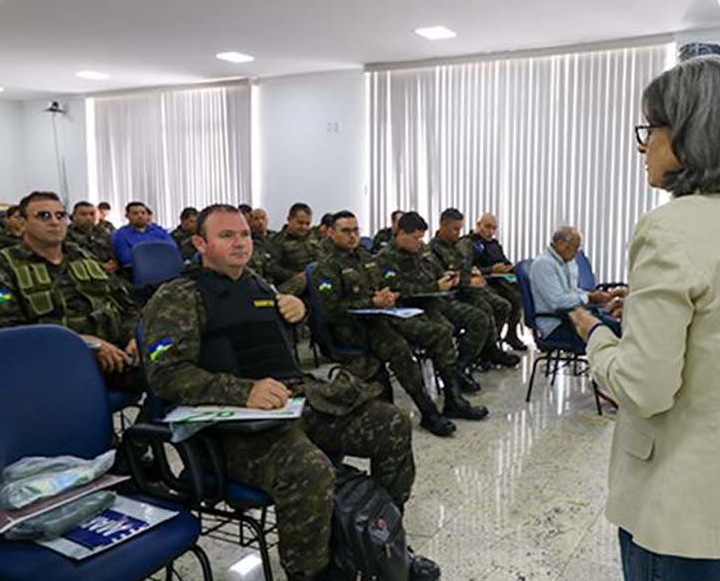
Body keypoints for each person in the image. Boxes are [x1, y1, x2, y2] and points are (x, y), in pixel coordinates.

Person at [568, 56, 720, 581]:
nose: (643, 146)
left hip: (686, 513)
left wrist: (596, 337)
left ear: (687, 132)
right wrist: (644, 310)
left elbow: (644, 389)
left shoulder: (670, 229)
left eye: (651, 129)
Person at [141, 204, 438, 581]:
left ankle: (384, 544)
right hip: (231, 428)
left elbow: (272, 349)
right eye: (226, 235)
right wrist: (243, 391)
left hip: (293, 402)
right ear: (200, 243)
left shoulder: (258, 285)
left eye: (244, 234)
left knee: (391, 424)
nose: (240, 243)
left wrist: (298, 311)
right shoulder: (179, 296)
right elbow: (165, 374)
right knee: (310, 469)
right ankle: (312, 574)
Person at [314, 211, 487, 436]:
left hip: (382, 315)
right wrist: (372, 302)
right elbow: (331, 310)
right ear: (331, 233)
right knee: (399, 349)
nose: (352, 236)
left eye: (355, 230)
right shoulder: (326, 265)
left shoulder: (365, 257)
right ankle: (428, 412)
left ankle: (453, 398)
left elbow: (384, 286)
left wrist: (387, 296)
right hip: (353, 326)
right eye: (345, 231)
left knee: (439, 332)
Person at [0, 191, 141, 390]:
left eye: (60, 215)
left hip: (115, 354)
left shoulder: (83, 257)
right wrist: (86, 344)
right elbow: (9, 330)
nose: (55, 222)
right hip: (52, 362)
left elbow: (125, 303)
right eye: (43, 216)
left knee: (164, 363)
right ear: (22, 223)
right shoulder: (1, 268)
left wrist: (133, 337)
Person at [376, 212, 518, 383]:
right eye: (416, 238)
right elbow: (399, 289)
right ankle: (455, 376)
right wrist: (437, 286)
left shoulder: (420, 251)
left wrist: (449, 277)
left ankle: (462, 367)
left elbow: (437, 273)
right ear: (401, 233)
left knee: (482, 315)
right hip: (411, 307)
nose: (420, 242)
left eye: (421, 238)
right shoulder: (385, 257)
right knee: (454, 326)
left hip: (437, 299)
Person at [428, 208, 519, 368]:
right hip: (450, 295)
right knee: (482, 315)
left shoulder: (455, 246)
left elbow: (464, 267)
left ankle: (489, 349)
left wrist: (472, 273)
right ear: (443, 226)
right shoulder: (433, 250)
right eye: (455, 229)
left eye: (460, 229)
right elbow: (445, 277)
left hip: (466, 290)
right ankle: (465, 363)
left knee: (499, 305)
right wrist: (469, 278)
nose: (458, 233)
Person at [530, 226, 625, 345]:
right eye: (575, 247)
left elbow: (572, 291)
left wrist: (593, 296)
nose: (576, 253)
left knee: (619, 328)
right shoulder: (544, 264)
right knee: (614, 333)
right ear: (561, 244)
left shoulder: (566, 262)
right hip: (557, 324)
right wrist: (588, 297)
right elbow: (557, 302)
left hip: (573, 318)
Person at [461, 213, 527, 350]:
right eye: (487, 227)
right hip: (480, 283)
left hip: (498, 280)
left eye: (494, 228)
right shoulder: (468, 243)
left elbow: (504, 261)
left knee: (518, 296)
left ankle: (511, 334)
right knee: (502, 304)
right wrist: (491, 270)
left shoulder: (494, 244)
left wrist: (508, 267)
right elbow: (469, 270)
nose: (490, 231)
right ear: (478, 225)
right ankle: (491, 343)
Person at [269, 203, 321, 294]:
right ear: (289, 219)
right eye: (300, 223)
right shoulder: (278, 240)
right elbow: (272, 268)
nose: (304, 227)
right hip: (291, 284)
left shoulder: (313, 236)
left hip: (315, 282)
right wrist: (295, 275)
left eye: (307, 224)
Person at [111, 201, 175, 267]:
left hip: (166, 266)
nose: (140, 216)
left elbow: (172, 249)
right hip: (140, 269)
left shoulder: (158, 230)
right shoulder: (120, 235)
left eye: (143, 213)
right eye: (135, 213)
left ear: (147, 215)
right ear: (127, 216)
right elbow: (127, 259)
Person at [67, 201, 119, 273]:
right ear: (74, 216)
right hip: (85, 271)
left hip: (112, 270)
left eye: (92, 214)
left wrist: (116, 261)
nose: (88, 217)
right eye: (83, 214)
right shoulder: (67, 233)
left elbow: (117, 246)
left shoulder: (105, 229)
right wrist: (100, 265)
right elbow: (75, 253)